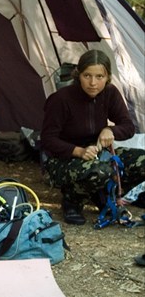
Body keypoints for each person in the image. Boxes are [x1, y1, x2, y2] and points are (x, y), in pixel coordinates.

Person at [40, 50, 145, 225]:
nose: (93, 83)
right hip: (64, 158)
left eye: (99, 76)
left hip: (99, 153)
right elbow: (47, 140)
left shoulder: (110, 93)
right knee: (101, 171)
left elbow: (128, 126)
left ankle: (124, 194)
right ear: (78, 75)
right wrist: (79, 151)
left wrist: (110, 130)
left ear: (108, 77)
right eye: (87, 75)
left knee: (141, 161)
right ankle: (72, 201)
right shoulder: (61, 99)